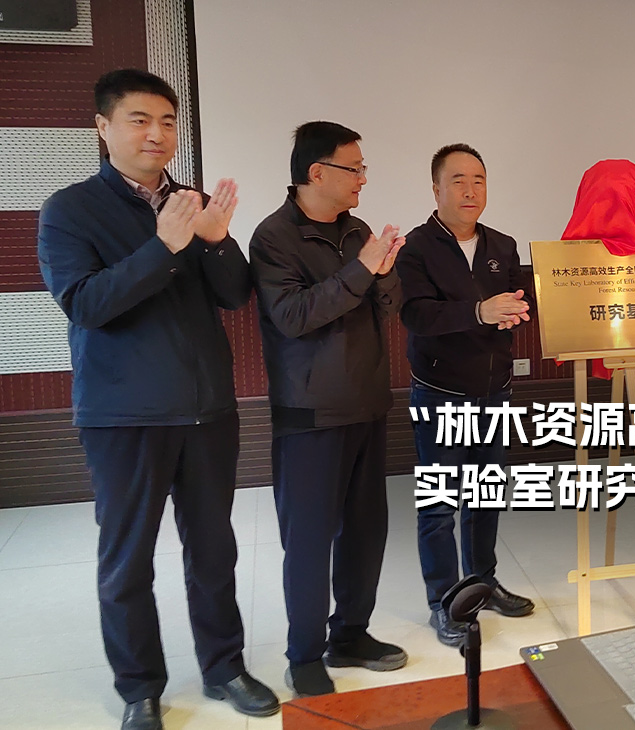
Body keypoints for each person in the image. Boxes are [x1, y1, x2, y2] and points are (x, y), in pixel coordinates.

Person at [38, 69, 279, 730]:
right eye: (140, 120)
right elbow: (86, 304)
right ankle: (140, 687)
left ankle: (224, 667)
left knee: (214, 552)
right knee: (127, 562)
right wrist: (165, 245)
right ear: (103, 127)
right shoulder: (70, 209)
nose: (157, 134)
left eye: (168, 122)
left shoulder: (190, 201)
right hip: (124, 415)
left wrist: (217, 239)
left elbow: (234, 294)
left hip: (207, 411)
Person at [250, 121, 409, 697]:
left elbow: (387, 305)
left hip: (367, 403)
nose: (363, 179)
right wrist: (363, 268)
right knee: (310, 541)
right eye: (355, 168)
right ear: (317, 172)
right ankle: (304, 654)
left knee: (366, 533)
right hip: (310, 413)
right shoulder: (274, 237)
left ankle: (351, 634)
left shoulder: (356, 231)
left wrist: (383, 272)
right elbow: (294, 316)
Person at [394, 143, 537, 647]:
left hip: (494, 390)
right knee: (439, 505)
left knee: (486, 495)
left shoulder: (503, 244)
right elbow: (417, 315)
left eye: (478, 179)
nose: (470, 190)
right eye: (458, 180)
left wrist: (521, 310)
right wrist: (480, 311)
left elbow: (519, 302)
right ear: (436, 189)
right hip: (440, 392)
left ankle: (483, 583)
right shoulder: (416, 248)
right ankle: (443, 601)